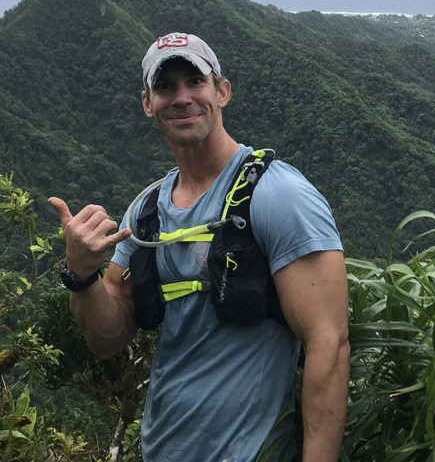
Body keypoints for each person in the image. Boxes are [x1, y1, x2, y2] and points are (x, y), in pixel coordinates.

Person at [48, 32, 350, 461]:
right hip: (161, 449)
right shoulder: (146, 211)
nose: (182, 97)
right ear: (147, 104)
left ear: (222, 92)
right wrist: (81, 274)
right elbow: (108, 339)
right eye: (165, 87)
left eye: (195, 82)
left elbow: (330, 342)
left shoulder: (276, 194)